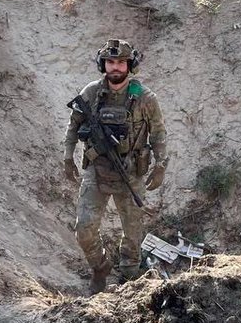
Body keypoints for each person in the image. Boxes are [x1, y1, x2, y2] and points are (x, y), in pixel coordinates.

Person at [64, 38, 168, 293]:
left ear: (130, 65)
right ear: (103, 64)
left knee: (133, 232)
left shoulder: (144, 98)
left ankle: (130, 275)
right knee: (84, 228)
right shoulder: (90, 93)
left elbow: (158, 133)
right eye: (111, 62)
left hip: (130, 172)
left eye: (121, 62)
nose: (116, 68)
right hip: (96, 170)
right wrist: (68, 156)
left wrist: (160, 165)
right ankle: (100, 267)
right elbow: (73, 126)